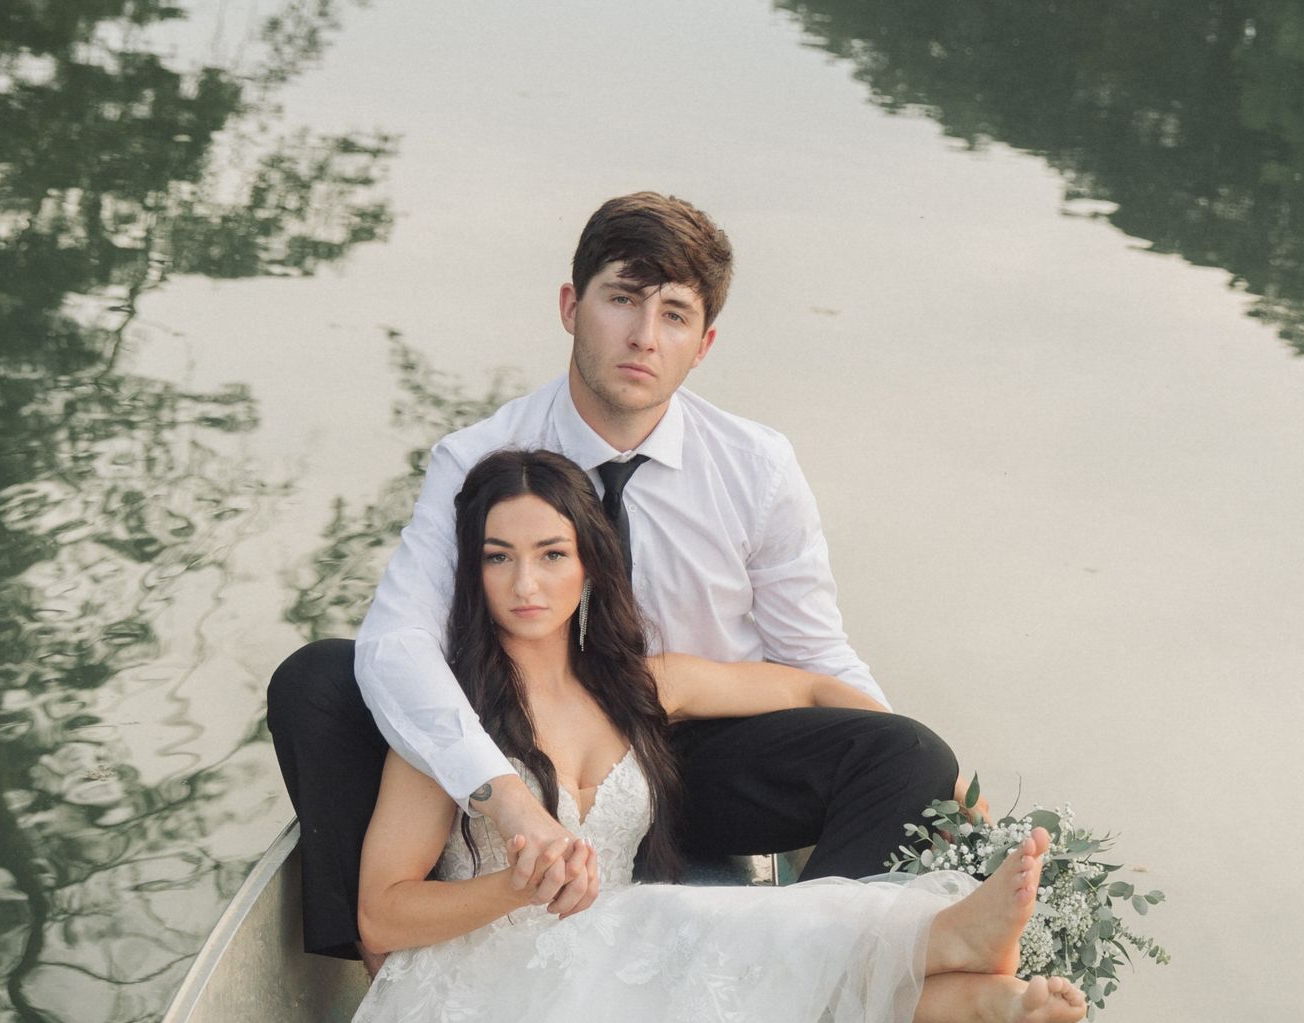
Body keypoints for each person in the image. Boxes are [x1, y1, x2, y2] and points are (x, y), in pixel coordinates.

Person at [221, 452, 1084, 1023]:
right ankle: (954, 965)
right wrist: (512, 890)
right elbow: (382, 908)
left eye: (550, 555)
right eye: (498, 558)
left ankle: (984, 994)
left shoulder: (639, 687)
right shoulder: (442, 718)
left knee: (700, 944)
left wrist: (948, 780)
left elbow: (802, 691)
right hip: (485, 986)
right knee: (703, 934)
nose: (526, 583)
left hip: (623, 955)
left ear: (589, 563)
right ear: (469, 573)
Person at [268, 191, 971, 961]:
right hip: (524, 744)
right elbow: (399, 642)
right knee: (321, 680)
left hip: (694, 756)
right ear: (571, 306)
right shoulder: (481, 457)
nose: (643, 336)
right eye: (623, 300)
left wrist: (934, 788)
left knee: (911, 756)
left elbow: (814, 656)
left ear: (702, 345)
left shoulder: (757, 466)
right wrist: (501, 794)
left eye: (673, 314)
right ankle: (368, 978)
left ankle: (811, 970)